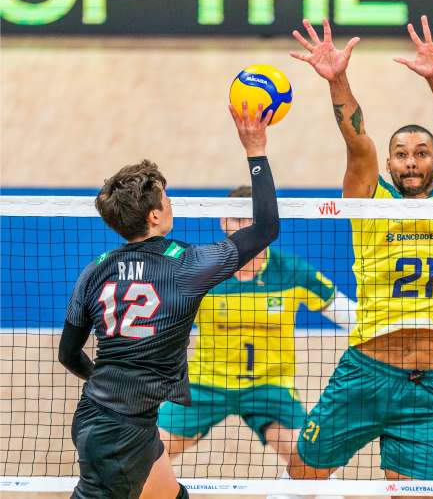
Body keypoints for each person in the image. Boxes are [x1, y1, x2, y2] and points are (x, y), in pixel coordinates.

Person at [287, 16, 433, 484]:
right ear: (389, 163)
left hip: (423, 389)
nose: (411, 160)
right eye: (400, 153)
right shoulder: (370, 202)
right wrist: (338, 80)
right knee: (300, 476)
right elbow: (357, 141)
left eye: (420, 152)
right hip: (363, 374)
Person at [58, 102, 279, 498]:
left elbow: (69, 355)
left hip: (112, 417)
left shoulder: (94, 271)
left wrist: (107, 380)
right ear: (155, 216)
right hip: (118, 431)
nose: (171, 201)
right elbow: (265, 228)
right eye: (167, 197)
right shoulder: (187, 265)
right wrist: (256, 150)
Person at [157, 185, 356, 491]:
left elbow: (351, 317)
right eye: (238, 221)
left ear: (265, 224)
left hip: (270, 388)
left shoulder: (291, 271)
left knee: (314, 466)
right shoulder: (200, 270)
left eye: (252, 220)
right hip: (204, 386)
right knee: (146, 456)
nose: (246, 228)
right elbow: (162, 325)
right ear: (224, 223)